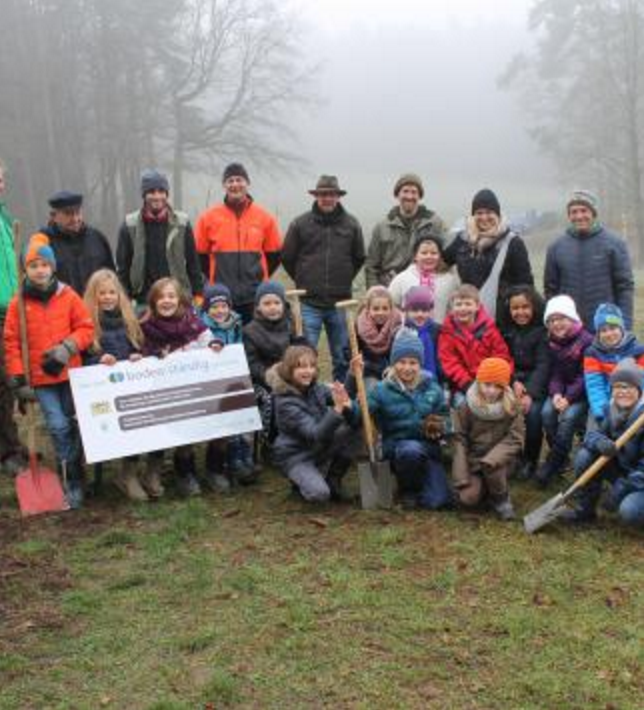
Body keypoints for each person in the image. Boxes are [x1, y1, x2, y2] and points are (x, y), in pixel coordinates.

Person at [4, 233, 94, 508]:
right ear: (25, 270)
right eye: (33, 266)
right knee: (57, 426)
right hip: (42, 380)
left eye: (44, 264)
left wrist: (67, 348)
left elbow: (86, 328)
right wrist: (17, 374)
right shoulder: (18, 303)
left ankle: (77, 473)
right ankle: (69, 483)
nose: (39, 270)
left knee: (73, 424)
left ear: (52, 267)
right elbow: (11, 340)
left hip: (70, 374)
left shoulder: (67, 296)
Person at [352, 328, 452, 510]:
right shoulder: (381, 390)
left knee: (438, 501)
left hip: (428, 450)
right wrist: (348, 405)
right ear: (393, 363)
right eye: (401, 362)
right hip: (397, 448)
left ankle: (422, 480)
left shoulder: (432, 388)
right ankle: (408, 490)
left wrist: (441, 426)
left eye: (413, 362)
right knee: (410, 451)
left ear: (420, 364)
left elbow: (446, 418)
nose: (407, 368)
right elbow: (359, 416)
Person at [141, 277, 219, 497]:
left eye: (171, 296)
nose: (166, 301)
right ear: (153, 301)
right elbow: (141, 354)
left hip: (196, 387)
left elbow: (210, 344)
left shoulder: (194, 323)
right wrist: (154, 356)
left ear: (180, 300)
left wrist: (215, 347)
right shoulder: (146, 327)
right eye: (161, 297)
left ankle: (213, 469)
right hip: (162, 391)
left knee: (204, 424)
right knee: (182, 432)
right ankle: (184, 472)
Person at [282, 175, 365, 381]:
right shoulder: (299, 224)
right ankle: (310, 398)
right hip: (308, 303)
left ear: (338, 196)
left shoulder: (352, 224)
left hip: (340, 304)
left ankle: (341, 399)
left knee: (342, 357)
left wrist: (343, 278)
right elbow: (287, 257)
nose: (327, 198)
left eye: (331, 194)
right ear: (316, 196)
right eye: (322, 194)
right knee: (305, 357)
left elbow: (358, 257)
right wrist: (304, 279)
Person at [83, 270, 147, 501]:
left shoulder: (130, 319)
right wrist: (98, 360)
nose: (108, 297)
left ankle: (128, 473)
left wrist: (137, 356)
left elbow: (139, 348)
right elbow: (81, 359)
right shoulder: (87, 323)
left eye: (112, 292)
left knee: (135, 424)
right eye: (102, 293)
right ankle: (93, 475)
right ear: (94, 296)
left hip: (128, 387)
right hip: (101, 392)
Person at [268, 344, 359, 502]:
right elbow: (315, 434)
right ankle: (299, 480)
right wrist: (337, 409)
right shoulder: (285, 403)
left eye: (311, 366)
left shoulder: (316, 387)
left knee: (353, 428)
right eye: (301, 367)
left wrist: (352, 373)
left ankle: (333, 480)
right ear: (289, 370)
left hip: (319, 447)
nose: (308, 371)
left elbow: (344, 396)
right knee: (319, 494)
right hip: (296, 455)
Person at [195, 163, 282, 323]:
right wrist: (216, 278)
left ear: (247, 183)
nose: (235, 184)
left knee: (255, 342)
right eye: (230, 181)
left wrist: (256, 276)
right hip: (221, 299)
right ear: (224, 185)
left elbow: (274, 255)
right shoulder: (208, 218)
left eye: (239, 180)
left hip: (256, 296)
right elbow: (200, 256)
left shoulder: (265, 217)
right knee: (225, 345)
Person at [562, 359, 644, 527]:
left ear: (639, 389)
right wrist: (601, 443)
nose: (623, 392)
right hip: (623, 468)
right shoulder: (611, 408)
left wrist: (623, 487)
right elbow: (592, 435)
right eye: (618, 387)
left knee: (629, 511)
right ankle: (585, 511)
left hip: (639, 479)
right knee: (585, 455)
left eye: (628, 386)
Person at [544, 190, 634, 330]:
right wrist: (553, 323)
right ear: (569, 215)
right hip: (569, 330)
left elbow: (624, 287)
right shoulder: (556, 247)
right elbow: (550, 290)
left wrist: (625, 325)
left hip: (604, 329)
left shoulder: (615, 244)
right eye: (574, 212)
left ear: (593, 213)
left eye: (584, 210)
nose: (579, 216)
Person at [443, 188, 533, 322]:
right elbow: (439, 262)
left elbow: (525, 284)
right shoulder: (463, 240)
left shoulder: (512, 242)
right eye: (479, 213)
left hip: (502, 319)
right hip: (468, 318)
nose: (484, 217)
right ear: (473, 216)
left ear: (498, 214)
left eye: (489, 212)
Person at [116, 170, 202, 309]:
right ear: (144, 195)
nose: (157, 196)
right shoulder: (129, 225)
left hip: (177, 298)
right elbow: (123, 268)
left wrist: (198, 293)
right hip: (142, 301)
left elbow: (193, 263)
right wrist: (125, 298)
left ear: (167, 194)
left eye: (161, 191)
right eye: (151, 192)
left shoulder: (182, 223)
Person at [452, 358, 524, 520]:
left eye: (497, 386)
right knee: (468, 499)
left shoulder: (512, 407)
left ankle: (501, 498)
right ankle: (483, 488)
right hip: (475, 460)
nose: (491, 391)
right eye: (487, 385)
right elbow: (459, 438)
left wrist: (493, 459)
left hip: (500, 460)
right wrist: (461, 475)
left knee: (493, 467)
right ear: (479, 383)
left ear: (504, 388)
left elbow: (515, 438)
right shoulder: (467, 406)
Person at [536, 295, 593, 487]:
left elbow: (585, 376)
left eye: (561, 318)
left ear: (572, 318)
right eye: (551, 320)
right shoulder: (552, 342)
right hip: (562, 392)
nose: (557, 324)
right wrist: (557, 394)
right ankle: (561, 457)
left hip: (582, 395)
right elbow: (555, 374)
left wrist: (568, 398)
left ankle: (553, 462)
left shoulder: (586, 341)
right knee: (546, 413)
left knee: (568, 419)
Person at [199, 282, 246, 492]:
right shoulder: (201, 327)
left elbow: (240, 346)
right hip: (209, 381)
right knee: (216, 425)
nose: (220, 311)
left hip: (233, 379)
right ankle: (214, 468)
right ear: (206, 309)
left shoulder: (236, 323)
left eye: (224, 306)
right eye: (214, 307)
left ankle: (236, 459)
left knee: (235, 421)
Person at [243, 281, 296, 466]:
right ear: (258, 306)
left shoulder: (290, 325)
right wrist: (270, 375)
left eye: (276, 303)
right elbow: (251, 363)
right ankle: (270, 443)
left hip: (290, 376)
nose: (272, 308)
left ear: (283, 304)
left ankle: (300, 438)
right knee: (272, 401)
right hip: (262, 381)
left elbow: (298, 350)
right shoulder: (250, 331)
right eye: (267, 303)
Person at [501, 285, 550, 480]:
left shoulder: (542, 332)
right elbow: (503, 358)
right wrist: (512, 381)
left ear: (535, 307)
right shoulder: (506, 330)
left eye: (525, 307)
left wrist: (530, 392)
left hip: (535, 383)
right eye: (515, 308)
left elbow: (543, 365)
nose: (520, 312)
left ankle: (530, 459)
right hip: (511, 379)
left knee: (534, 414)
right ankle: (508, 456)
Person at [365, 173, 447, 288]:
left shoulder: (434, 224)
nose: (409, 196)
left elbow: (446, 258)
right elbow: (371, 266)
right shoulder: (382, 227)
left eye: (414, 192)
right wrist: (374, 292)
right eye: (405, 191)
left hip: (426, 288)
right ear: (397, 194)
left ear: (420, 196)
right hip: (389, 290)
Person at [438, 285, 512, 405]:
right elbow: (450, 362)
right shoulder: (448, 332)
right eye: (458, 304)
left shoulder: (489, 329)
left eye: (468, 304)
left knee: (503, 406)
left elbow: (501, 356)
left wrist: (490, 382)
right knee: (463, 404)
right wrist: (468, 385)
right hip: (462, 385)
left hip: (491, 382)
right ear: (452, 308)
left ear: (477, 306)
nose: (463, 308)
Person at [0, 159, 26, 475]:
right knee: (2, 383)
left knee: (13, 379)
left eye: (1, 179)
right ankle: (7, 453)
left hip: (10, 310)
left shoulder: (5, 216)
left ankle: (13, 444)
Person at [40, 191, 115, 296]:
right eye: (68, 213)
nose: (75, 219)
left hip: (96, 308)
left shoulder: (97, 238)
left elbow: (111, 276)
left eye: (78, 212)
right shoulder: (42, 243)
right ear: (54, 216)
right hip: (63, 310)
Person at [584, 303, 644, 426]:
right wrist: (601, 411)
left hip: (635, 401)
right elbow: (595, 385)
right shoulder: (592, 354)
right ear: (598, 334)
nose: (609, 334)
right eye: (603, 330)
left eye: (613, 328)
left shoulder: (638, 351)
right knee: (595, 428)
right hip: (608, 402)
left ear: (621, 328)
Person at [388, 233, 459, 322]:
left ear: (440, 256)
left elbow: (454, 309)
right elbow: (391, 304)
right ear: (415, 256)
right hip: (409, 332)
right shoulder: (402, 278)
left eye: (433, 253)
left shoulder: (449, 280)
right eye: (424, 253)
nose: (429, 256)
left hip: (441, 331)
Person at [354, 286, 404, 390]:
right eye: (376, 309)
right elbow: (351, 351)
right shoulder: (359, 326)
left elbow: (402, 352)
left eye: (385, 308)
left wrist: (394, 367)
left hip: (393, 370)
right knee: (374, 390)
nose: (380, 312)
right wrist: (360, 363)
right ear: (368, 309)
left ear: (391, 309)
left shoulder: (398, 326)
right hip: (369, 371)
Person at [403, 286, 441, 380]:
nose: (420, 314)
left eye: (424, 310)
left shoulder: (436, 330)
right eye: (415, 310)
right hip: (409, 378)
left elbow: (440, 357)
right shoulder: (403, 331)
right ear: (407, 311)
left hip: (434, 378)